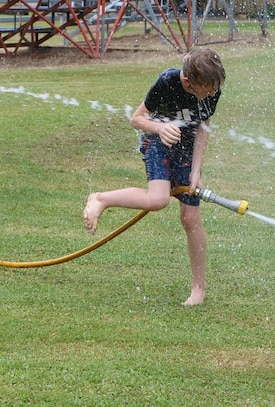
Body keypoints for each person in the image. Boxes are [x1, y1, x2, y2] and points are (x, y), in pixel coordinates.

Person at [82, 48, 226, 306]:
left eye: (215, 88)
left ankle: (198, 288)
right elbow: (136, 119)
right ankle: (101, 199)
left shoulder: (213, 88)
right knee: (158, 200)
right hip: (156, 140)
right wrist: (160, 129)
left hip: (187, 144)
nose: (212, 93)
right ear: (188, 81)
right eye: (207, 88)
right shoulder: (167, 82)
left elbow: (204, 129)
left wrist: (195, 171)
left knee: (190, 217)